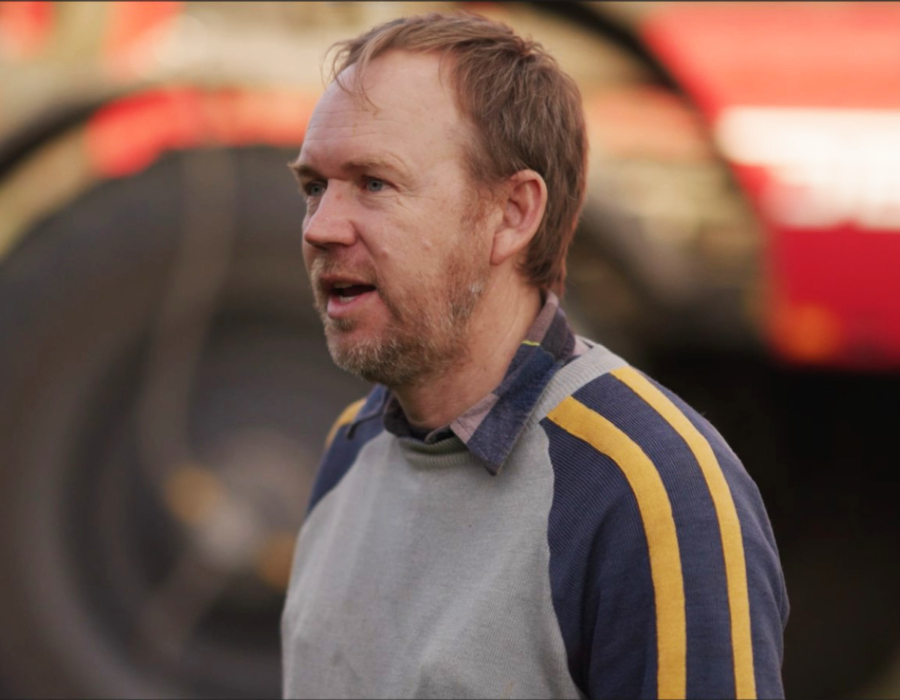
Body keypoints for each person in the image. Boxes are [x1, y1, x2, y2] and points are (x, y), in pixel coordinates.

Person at [281, 12, 788, 700]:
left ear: (514, 213)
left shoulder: (649, 490)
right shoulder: (352, 450)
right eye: (315, 186)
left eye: (374, 183)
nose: (321, 228)